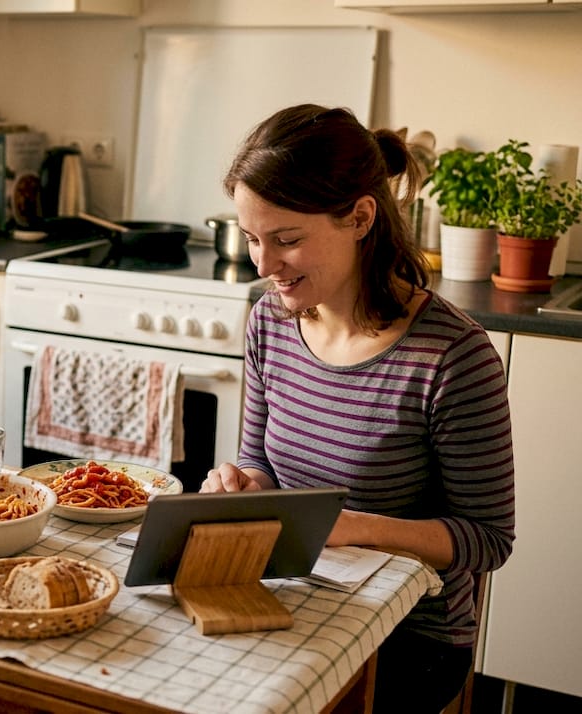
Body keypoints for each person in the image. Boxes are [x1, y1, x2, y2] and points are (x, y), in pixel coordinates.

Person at [202, 104, 514, 714]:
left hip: (412, 634)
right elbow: (258, 462)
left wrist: (355, 527)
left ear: (360, 217)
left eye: (287, 240)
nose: (264, 266)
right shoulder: (271, 317)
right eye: (252, 240)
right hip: (291, 593)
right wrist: (240, 483)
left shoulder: (453, 355)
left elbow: (490, 540)